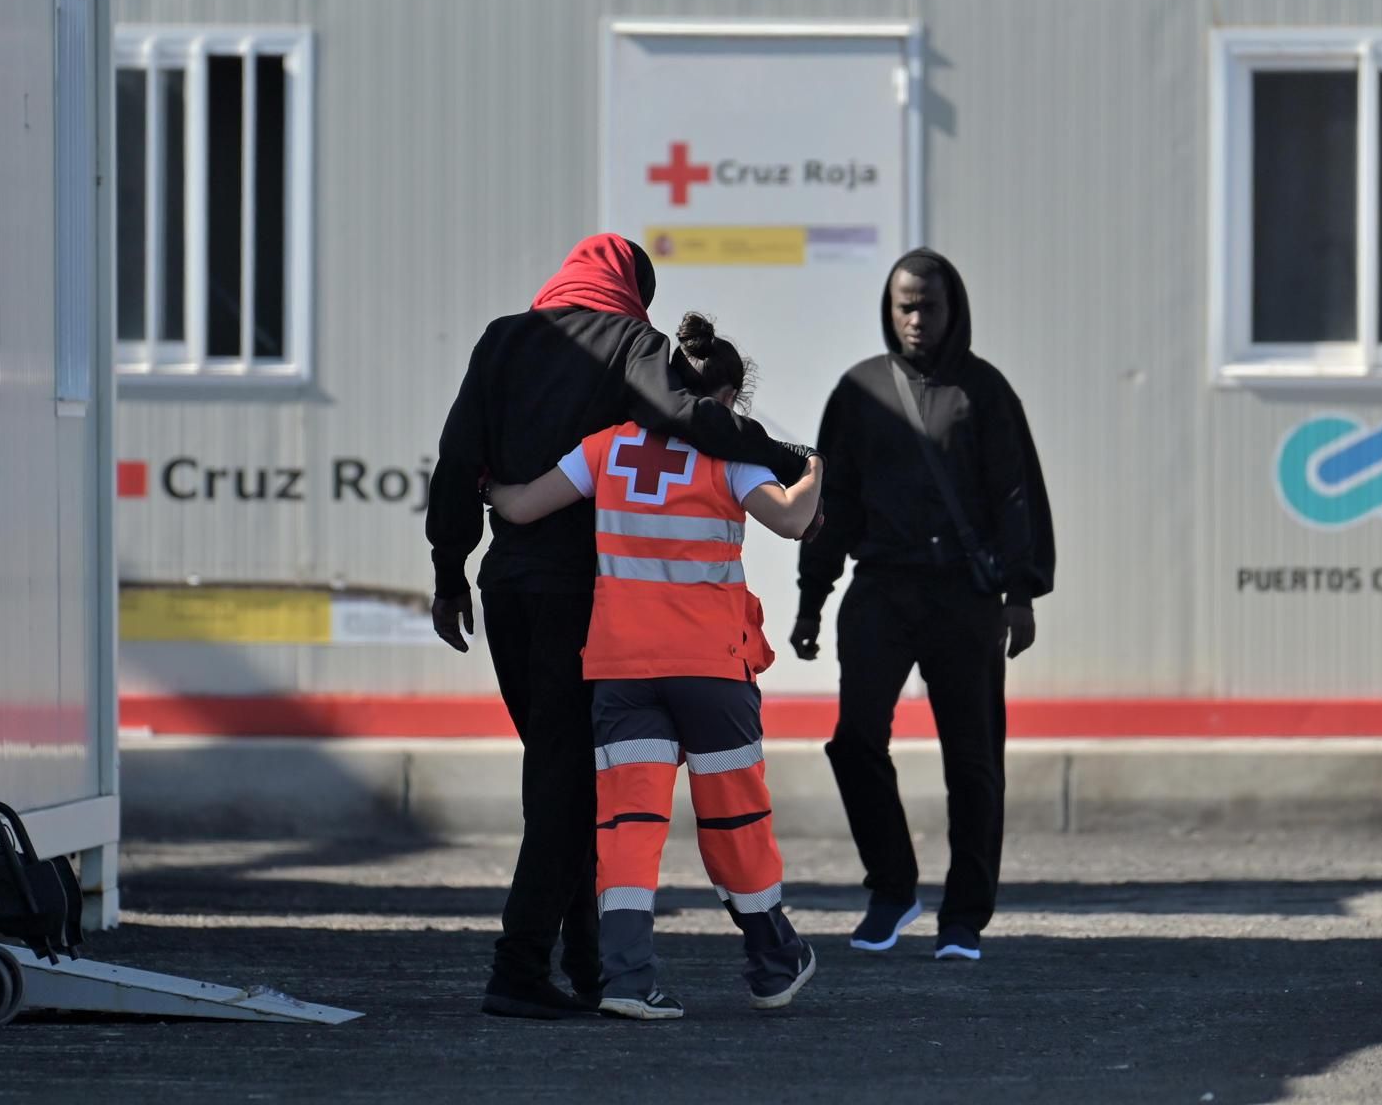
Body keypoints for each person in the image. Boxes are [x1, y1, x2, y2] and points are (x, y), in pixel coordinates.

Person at [427, 234, 814, 1020]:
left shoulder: (501, 340)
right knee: (571, 785)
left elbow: (458, 456)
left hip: (505, 586)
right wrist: (780, 454)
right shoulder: (635, 340)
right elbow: (679, 414)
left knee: (562, 778)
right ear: (631, 287)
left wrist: (448, 572)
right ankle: (521, 965)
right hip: (582, 596)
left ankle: (588, 965)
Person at [790, 248, 1055, 963]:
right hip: (880, 588)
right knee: (854, 740)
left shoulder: (985, 392)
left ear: (952, 308)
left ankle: (964, 916)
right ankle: (893, 888)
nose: (914, 319)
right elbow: (830, 506)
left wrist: (1021, 594)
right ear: (889, 308)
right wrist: (811, 600)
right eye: (903, 306)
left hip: (963, 597)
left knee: (972, 760)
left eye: (927, 306)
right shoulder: (860, 391)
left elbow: (1015, 495)